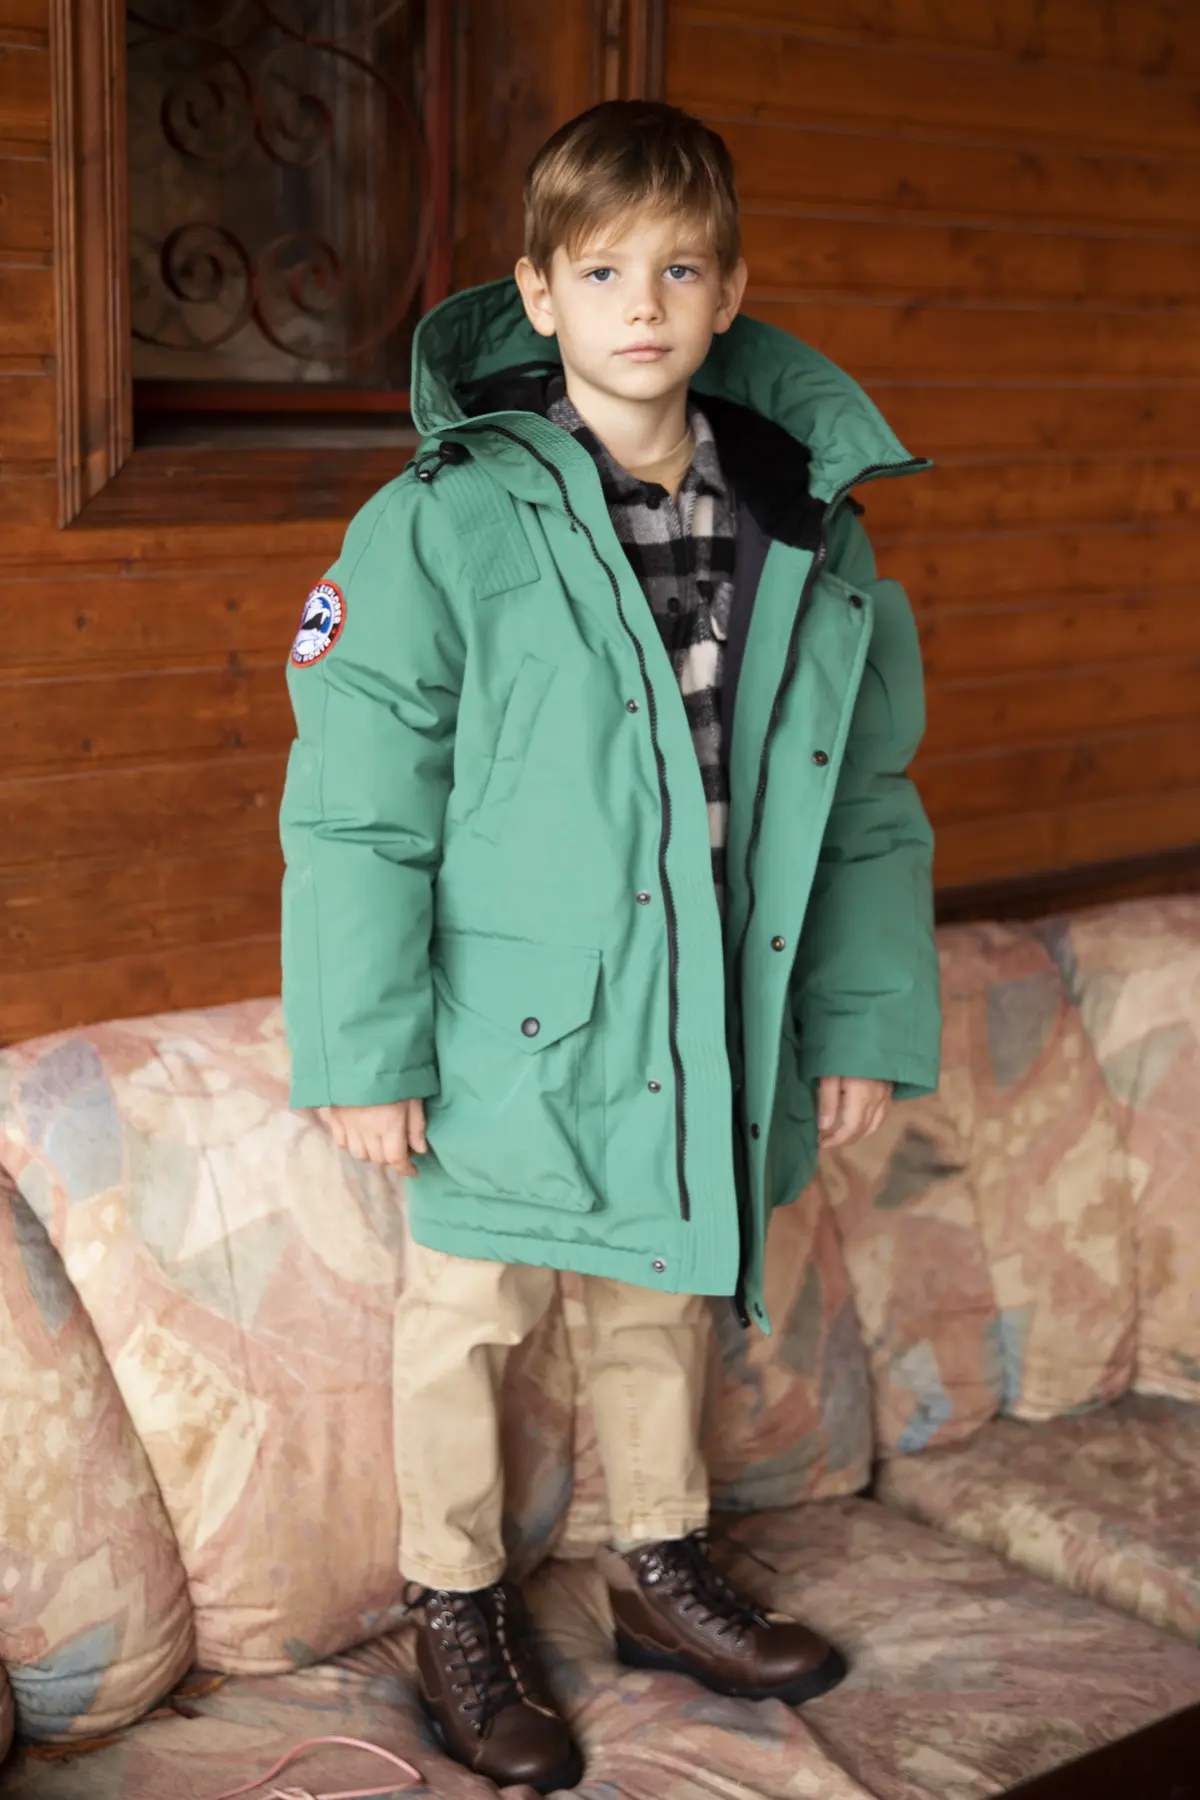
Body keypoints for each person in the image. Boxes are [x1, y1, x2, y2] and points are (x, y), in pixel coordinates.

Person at [279, 98, 941, 1792]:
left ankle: (658, 1571)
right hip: (503, 1027)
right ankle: (455, 1605)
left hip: (706, 1010)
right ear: (537, 293)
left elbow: (862, 800)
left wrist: (861, 1020)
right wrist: (364, 1052)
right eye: (600, 270)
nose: (643, 303)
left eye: (680, 269)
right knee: (467, 1321)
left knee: (662, 1296)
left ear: (730, 293)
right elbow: (356, 810)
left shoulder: (807, 522)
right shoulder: (441, 521)